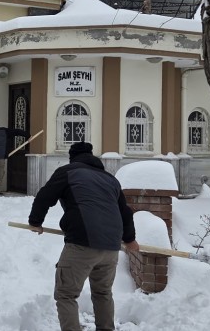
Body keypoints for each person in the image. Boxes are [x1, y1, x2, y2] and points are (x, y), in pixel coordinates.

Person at [27, 142, 139, 331]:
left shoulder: (68, 171)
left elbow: (44, 197)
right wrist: (130, 239)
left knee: (66, 295)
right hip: (111, 247)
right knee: (103, 293)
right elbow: (125, 212)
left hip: (82, 243)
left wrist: (35, 222)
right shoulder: (111, 180)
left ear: (72, 158)